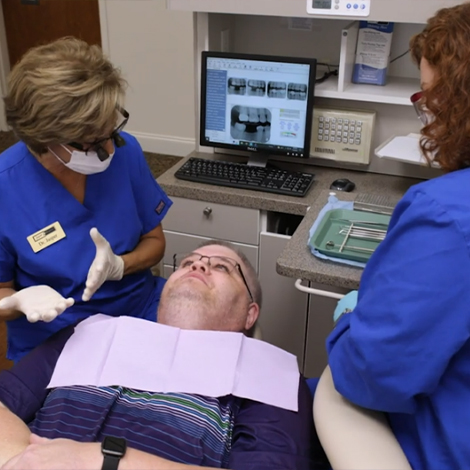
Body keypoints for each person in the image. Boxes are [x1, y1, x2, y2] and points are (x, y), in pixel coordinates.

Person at [0, 240, 317, 470]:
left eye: (223, 267)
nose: (198, 264)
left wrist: (105, 462)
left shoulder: (269, 374)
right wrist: (20, 460)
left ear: (250, 314)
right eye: (188, 262)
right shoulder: (89, 331)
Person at [325, 4, 470, 469]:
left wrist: (351, 321)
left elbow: (372, 373)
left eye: (427, 94)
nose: (425, 110)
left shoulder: (446, 214)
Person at [0, 37, 172, 362]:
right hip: (58, 338)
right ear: (45, 139)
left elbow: (155, 241)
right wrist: (15, 302)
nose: (109, 150)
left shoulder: (126, 152)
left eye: (111, 133)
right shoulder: (5, 188)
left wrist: (122, 266)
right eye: (92, 142)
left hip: (139, 311)